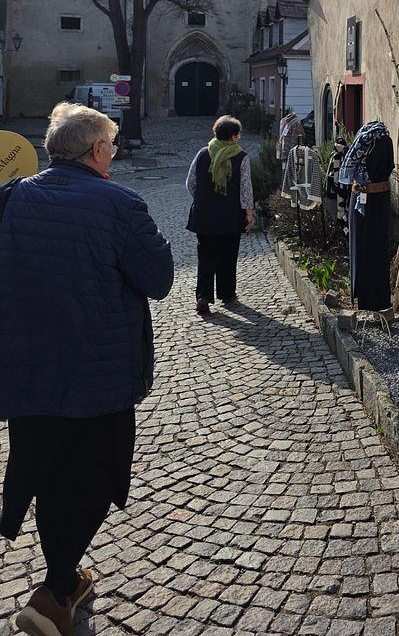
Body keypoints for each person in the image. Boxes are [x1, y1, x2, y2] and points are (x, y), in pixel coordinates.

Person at [0, 102, 174, 636]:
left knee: (48, 475)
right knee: (96, 479)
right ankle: (55, 594)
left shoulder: (9, 198)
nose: (114, 153)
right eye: (112, 145)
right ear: (97, 149)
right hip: (99, 378)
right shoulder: (120, 203)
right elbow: (160, 278)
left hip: (27, 374)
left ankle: (63, 584)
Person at [186, 115, 254, 315]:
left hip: (204, 214)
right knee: (228, 255)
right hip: (230, 215)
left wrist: (204, 199)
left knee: (206, 256)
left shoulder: (202, 154)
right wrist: (249, 213)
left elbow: (190, 183)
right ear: (233, 136)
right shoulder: (241, 157)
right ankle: (227, 293)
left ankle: (203, 296)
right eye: (238, 135)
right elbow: (246, 189)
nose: (238, 138)